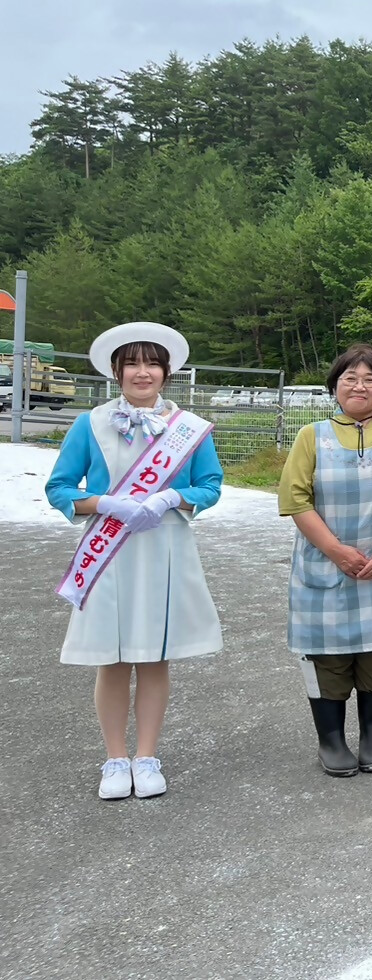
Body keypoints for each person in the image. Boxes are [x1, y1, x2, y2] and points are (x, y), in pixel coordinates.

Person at [45, 322, 223, 800]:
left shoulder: (188, 428)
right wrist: (105, 503)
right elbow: (59, 488)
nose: (142, 373)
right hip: (109, 550)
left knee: (153, 654)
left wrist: (170, 497)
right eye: (132, 364)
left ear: (166, 372)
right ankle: (114, 758)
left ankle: (146, 757)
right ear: (116, 371)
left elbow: (210, 485)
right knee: (112, 656)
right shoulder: (91, 423)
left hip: (164, 547)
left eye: (152, 364)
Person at [278, 344, 372, 777]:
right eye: (350, 378)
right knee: (327, 654)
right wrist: (337, 551)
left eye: (370, 379)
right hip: (326, 562)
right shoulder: (312, 436)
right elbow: (295, 499)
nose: (359, 386)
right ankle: (331, 739)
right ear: (335, 387)